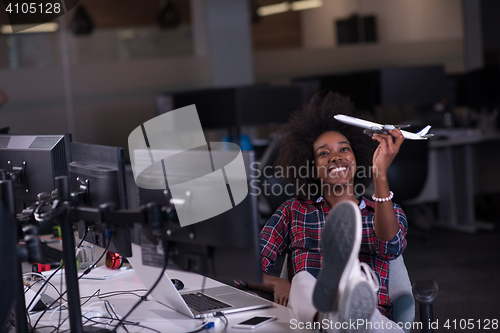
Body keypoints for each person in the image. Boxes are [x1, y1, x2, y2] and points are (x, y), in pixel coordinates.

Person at [247, 91, 408, 332]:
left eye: (344, 150)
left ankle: (347, 303)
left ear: (357, 158)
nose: (335, 158)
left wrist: (380, 174)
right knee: (302, 280)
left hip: (371, 324)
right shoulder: (294, 211)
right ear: (311, 169)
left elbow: (391, 246)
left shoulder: (383, 209)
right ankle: (332, 315)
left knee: (356, 308)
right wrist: (277, 283)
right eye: (323, 153)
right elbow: (247, 266)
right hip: (312, 322)